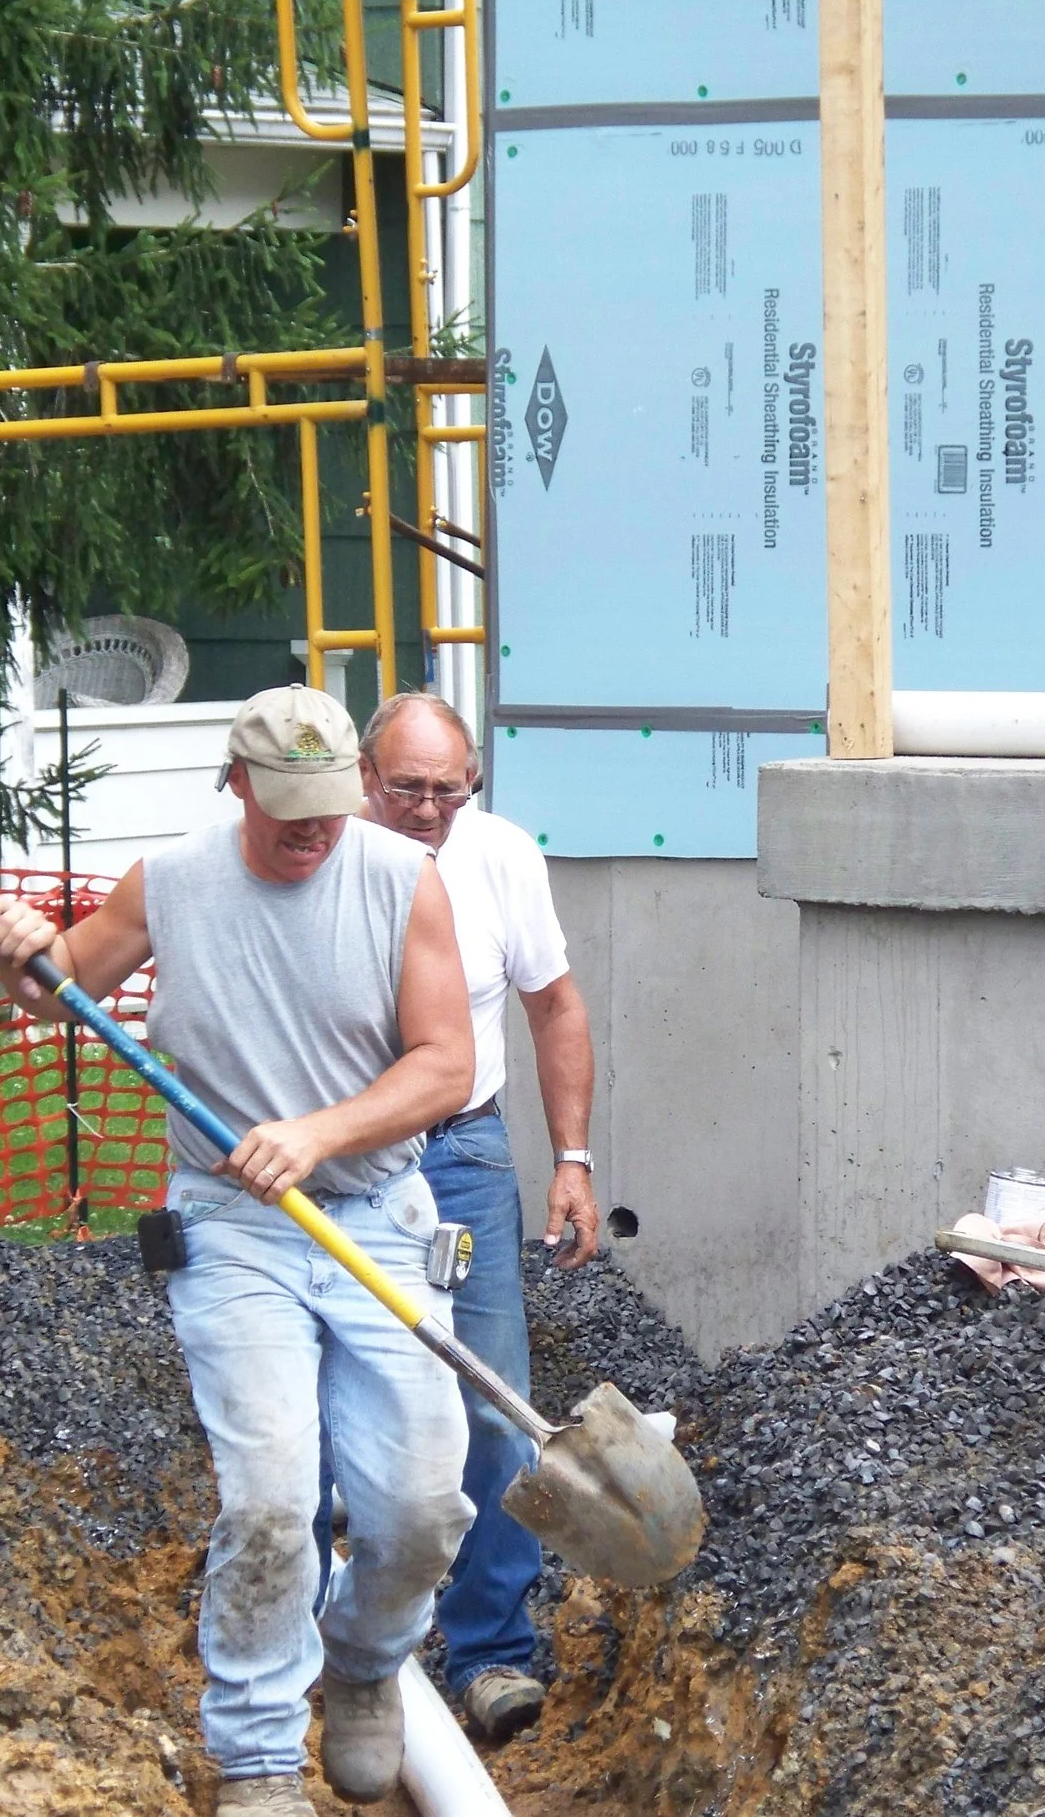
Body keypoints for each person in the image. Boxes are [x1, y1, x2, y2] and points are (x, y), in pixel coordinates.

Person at [0, 685, 477, 1816]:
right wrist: (26, 955)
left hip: (374, 1220)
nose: (311, 830)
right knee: (267, 1497)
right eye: (286, 806)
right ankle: (255, 1755)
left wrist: (318, 1133)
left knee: (418, 1506)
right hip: (231, 1226)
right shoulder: (176, 882)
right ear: (236, 782)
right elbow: (59, 990)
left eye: (331, 805)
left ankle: (361, 1664)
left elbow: (444, 1066)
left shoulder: (403, 883)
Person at [355, 691, 600, 1743]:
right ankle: (351, 1639)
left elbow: (554, 1005)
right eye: (405, 788)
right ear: (364, 777)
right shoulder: (322, 859)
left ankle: (492, 1650)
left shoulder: (499, 857)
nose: (425, 810)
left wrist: (574, 1161)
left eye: (445, 791)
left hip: (461, 1148)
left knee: (494, 1401)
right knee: (347, 1390)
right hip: (339, 1163)